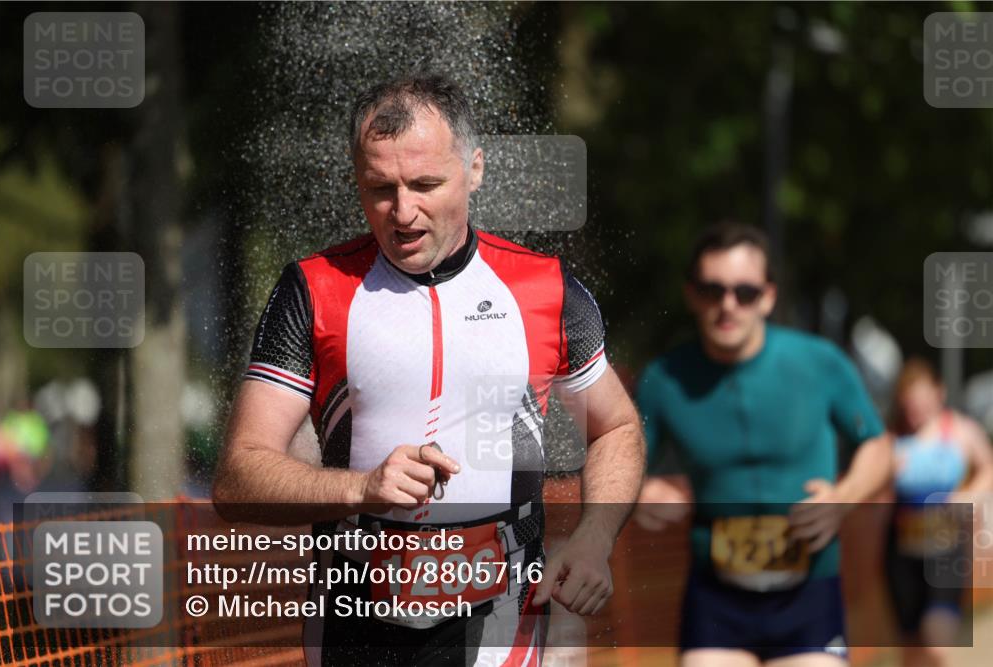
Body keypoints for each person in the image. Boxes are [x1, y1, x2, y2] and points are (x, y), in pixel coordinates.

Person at [212, 74, 645, 666]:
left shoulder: (546, 288)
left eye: (425, 184)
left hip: (500, 617)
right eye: (379, 188)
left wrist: (596, 537)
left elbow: (615, 428)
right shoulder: (312, 289)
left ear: (476, 170)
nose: (403, 212)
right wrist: (359, 488)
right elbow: (238, 479)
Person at [634, 222, 892, 667]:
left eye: (745, 292)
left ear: (769, 296)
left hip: (809, 591)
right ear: (692, 294)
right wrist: (637, 493)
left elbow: (877, 446)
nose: (727, 305)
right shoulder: (664, 380)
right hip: (716, 596)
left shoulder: (819, 362)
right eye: (713, 290)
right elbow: (620, 461)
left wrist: (843, 499)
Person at [885, 358, 993, 667]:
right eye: (908, 403)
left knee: (936, 643)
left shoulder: (959, 430)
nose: (914, 410)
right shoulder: (894, 438)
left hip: (946, 550)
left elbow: (988, 467)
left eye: (920, 401)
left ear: (938, 394)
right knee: (910, 648)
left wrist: (969, 496)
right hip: (902, 552)